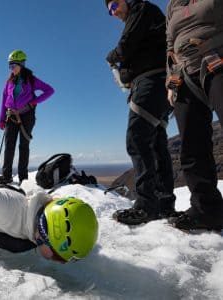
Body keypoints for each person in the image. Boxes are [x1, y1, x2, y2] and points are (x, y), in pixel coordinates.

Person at [105, 0, 176, 225]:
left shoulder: (142, 9)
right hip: (158, 82)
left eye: (114, 5)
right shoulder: (147, 14)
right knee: (155, 142)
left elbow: (126, 45)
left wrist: (113, 56)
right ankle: (164, 203)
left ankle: (146, 205)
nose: (113, 12)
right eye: (109, 10)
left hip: (151, 81)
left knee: (137, 138)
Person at [165, 0, 223, 231]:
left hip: (216, 57)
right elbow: (169, 45)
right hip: (184, 74)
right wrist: (171, 80)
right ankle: (207, 210)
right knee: (191, 145)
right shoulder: (173, 5)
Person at [0, 50, 54, 185]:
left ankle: (23, 178)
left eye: (13, 65)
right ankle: (7, 176)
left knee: (24, 146)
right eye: (9, 66)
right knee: (9, 146)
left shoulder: (31, 80)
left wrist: (34, 102)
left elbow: (49, 90)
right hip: (11, 116)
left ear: (21, 64)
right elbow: (4, 99)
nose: (11, 68)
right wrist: (1, 119)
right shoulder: (9, 82)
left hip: (27, 116)